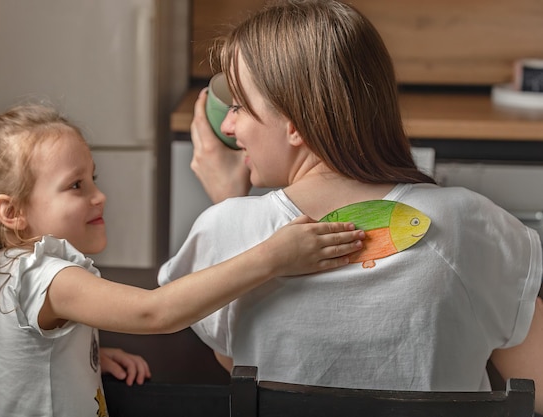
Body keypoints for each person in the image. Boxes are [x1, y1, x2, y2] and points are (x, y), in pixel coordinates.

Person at [157, 0, 543, 412]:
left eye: (238, 106)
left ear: (295, 124)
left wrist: (232, 210)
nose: (230, 128)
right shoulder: (467, 223)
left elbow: (239, 363)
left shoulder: (225, 230)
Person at [0, 103, 366, 417]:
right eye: (76, 186)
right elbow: (153, 311)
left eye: (92, 179)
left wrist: (82, 354)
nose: (99, 195)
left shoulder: (14, 264)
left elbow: (26, 351)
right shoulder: (48, 275)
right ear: (13, 212)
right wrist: (271, 258)